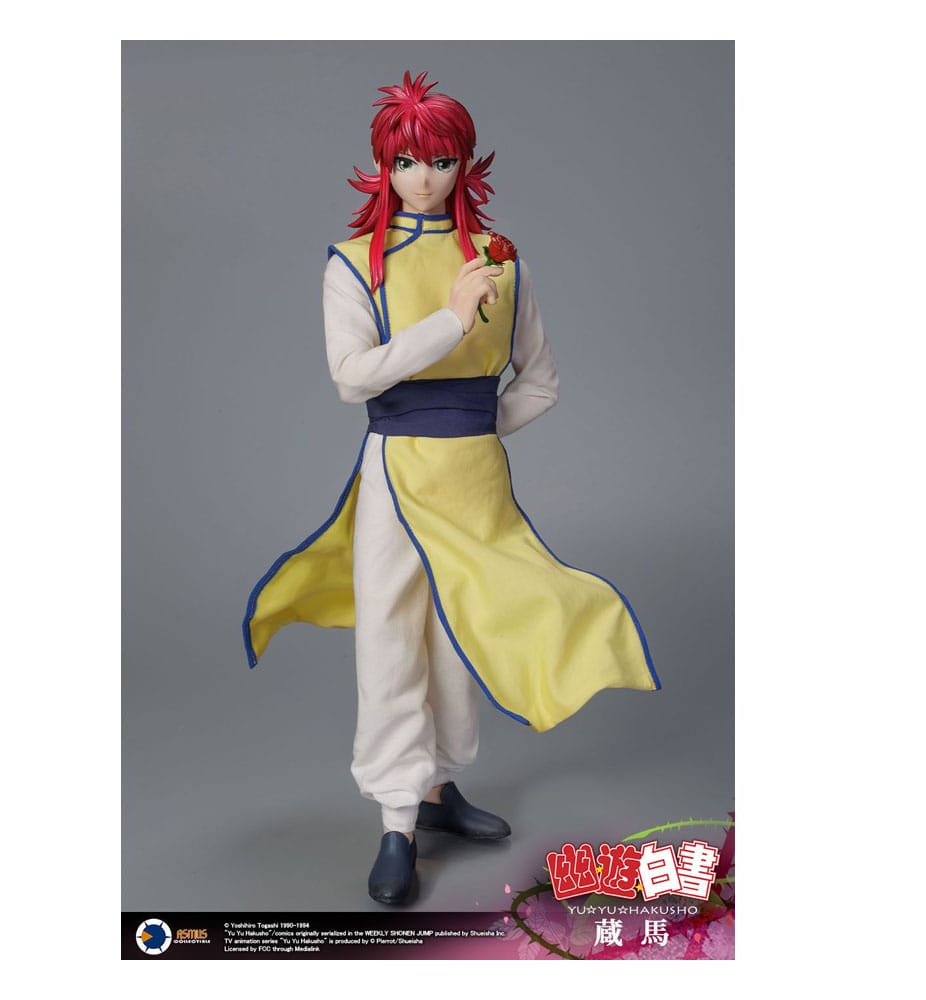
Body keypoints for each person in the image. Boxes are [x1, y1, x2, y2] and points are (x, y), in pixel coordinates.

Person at [242, 71, 660, 905]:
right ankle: (396, 818)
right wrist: (450, 321)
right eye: (406, 162)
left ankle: (438, 787)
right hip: (396, 475)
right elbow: (352, 376)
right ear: (383, 167)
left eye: (440, 160)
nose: (423, 178)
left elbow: (540, 382)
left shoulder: (503, 261)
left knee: (461, 631)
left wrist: (470, 425)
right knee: (391, 638)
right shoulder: (355, 264)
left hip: (474, 478)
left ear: (465, 163)